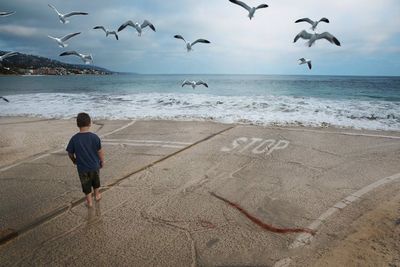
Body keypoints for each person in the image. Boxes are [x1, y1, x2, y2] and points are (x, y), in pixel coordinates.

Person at [66, 112, 104, 207]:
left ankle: (89, 202)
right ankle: (97, 195)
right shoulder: (95, 137)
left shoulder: (74, 139)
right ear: (90, 123)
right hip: (95, 166)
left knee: (86, 185)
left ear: (77, 124)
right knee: (96, 182)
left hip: (82, 168)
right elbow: (100, 151)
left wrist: (74, 160)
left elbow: (70, 153)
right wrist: (102, 161)